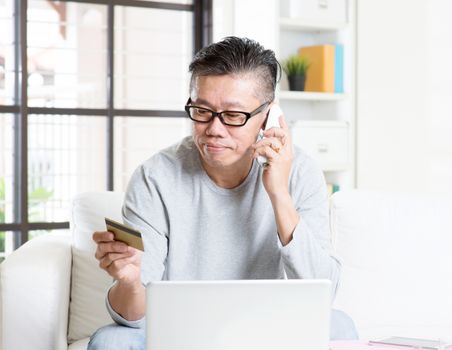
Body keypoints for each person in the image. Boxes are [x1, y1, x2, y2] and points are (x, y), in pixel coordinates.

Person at [89, 36, 357, 350]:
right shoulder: (155, 177)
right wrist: (130, 281)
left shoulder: (299, 171)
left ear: (267, 117)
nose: (214, 129)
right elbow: (132, 319)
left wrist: (279, 193)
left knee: (341, 326)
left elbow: (323, 294)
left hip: (268, 330)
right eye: (202, 111)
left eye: (232, 116)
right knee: (110, 341)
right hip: (179, 333)